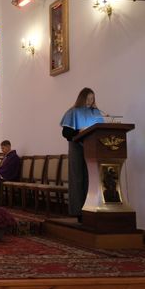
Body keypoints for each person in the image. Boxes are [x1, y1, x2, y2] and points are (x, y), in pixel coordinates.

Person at [60, 87, 104, 221]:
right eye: (88, 98)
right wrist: (79, 131)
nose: (90, 101)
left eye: (92, 99)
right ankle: (79, 212)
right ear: (82, 98)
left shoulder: (96, 112)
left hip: (92, 148)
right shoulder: (73, 112)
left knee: (91, 179)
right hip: (77, 148)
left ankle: (91, 210)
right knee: (78, 179)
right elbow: (66, 133)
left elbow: (101, 130)